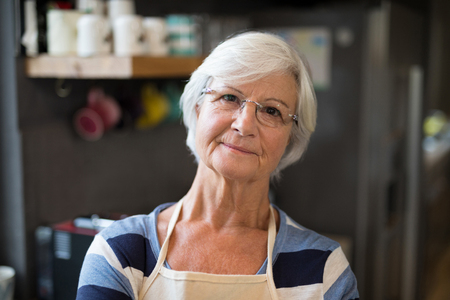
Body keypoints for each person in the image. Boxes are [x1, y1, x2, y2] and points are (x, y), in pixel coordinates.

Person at [76, 31, 359, 300]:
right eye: (229, 97)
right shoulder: (120, 252)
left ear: (290, 138)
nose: (244, 124)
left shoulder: (324, 271)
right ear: (198, 110)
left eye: (272, 111)